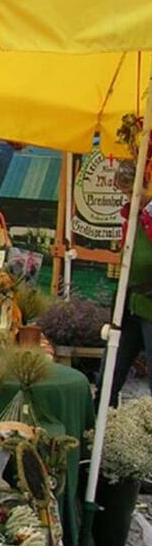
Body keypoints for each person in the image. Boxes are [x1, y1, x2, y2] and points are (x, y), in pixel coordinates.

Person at [105, 160, 152, 406]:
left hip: (149, 302)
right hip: (128, 302)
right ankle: (101, 424)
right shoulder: (131, 217)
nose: (128, 197)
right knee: (111, 370)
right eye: (124, 192)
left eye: (130, 191)